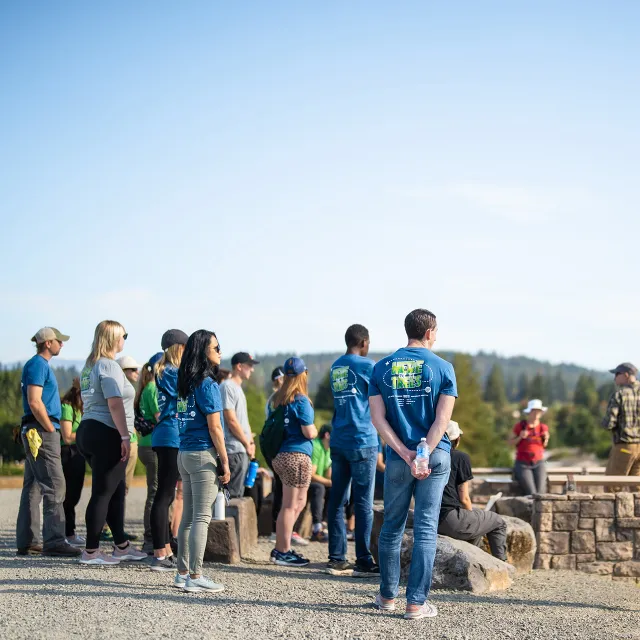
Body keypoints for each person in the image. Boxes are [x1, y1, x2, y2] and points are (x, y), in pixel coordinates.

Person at [369, 309, 456, 620]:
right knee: (425, 529)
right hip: (435, 455)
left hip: (397, 457)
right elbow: (442, 420)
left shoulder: (381, 368)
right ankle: (416, 603)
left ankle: (387, 597)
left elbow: (378, 419)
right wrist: (423, 453)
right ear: (430, 332)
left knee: (391, 528)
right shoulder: (444, 367)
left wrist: (405, 453)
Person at [76, 320, 146, 565]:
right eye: (123, 335)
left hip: (88, 429)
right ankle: (91, 551)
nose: (125, 339)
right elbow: (114, 402)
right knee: (103, 493)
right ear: (113, 338)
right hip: (106, 430)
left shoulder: (89, 366)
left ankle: (121, 545)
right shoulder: (108, 365)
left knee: (116, 490)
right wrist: (125, 436)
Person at [16, 327, 81, 557]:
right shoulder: (38, 365)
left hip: (36, 430)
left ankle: (28, 541)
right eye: (58, 341)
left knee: (33, 485)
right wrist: (48, 427)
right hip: (42, 431)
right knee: (56, 485)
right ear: (47, 343)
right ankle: (54, 541)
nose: (61, 345)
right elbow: (35, 402)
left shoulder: (38, 365)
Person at [174, 329, 231, 593]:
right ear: (203, 352)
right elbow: (215, 428)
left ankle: (182, 572)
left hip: (183, 453)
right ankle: (195, 576)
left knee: (187, 516)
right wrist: (225, 461)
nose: (220, 352)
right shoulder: (207, 384)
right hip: (201, 454)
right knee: (201, 517)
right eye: (216, 348)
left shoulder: (184, 383)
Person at [326, 324, 379, 577]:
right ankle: (363, 559)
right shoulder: (368, 366)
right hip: (362, 439)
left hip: (339, 439)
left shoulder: (336, 366)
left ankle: (336, 558)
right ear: (364, 343)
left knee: (337, 500)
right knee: (363, 503)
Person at [270, 357, 318, 567]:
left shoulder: (279, 399)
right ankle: (282, 550)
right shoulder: (301, 400)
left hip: (282, 455)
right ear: (303, 376)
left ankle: (283, 546)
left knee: (296, 503)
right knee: (290, 506)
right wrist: (315, 430)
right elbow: (308, 431)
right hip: (297, 456)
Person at [438, 421, 507, 560]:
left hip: (430, 518)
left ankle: (469, 561)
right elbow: (464, 499)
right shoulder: (460, 457)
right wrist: (469, 517)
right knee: (498, 522)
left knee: (476, 524)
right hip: (450, 520)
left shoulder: (427, 456)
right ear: (457, 439)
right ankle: (501, 565)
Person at [150, 329, 188, 571]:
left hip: (166, 434)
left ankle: (164, 547)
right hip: (171, 436)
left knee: (166, 495)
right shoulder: (173, 373)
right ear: (179, 349)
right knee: (164, 496)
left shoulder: (164, 371)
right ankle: (159, 553)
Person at [220, 352, 259, 499]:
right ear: (239, 366)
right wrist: (246, 443)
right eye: (249, 366)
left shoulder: (237, 388)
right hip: (233, 450)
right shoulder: (227, 387)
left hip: (240, 449)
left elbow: (242, 420)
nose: (252, 369)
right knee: (232, 498)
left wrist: (250, 442)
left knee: (238, 495)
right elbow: (230, 419)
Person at [135, 352, 162, 553]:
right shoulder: (153, 388)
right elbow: (160, 417)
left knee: (155, 491)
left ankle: (153, 535)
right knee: (155, 492)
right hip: (153, 445)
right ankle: (151, 537)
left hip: (147, 443)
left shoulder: (147, 388)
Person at [60, 378, 86, 546]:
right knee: (68, 496)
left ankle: (70, 531)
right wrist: (87, 433)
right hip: (68, 453)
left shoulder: (80, 409)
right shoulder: (67, 407)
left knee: (75, 495)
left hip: (79, 452)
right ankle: (66, 532)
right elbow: (67, 437)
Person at [602, 363, 640, 476]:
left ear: (626, 375)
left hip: (625, 445)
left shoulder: (620, 395)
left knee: (612, 486)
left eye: (617, 374)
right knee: (637, 487)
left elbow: (609, 423)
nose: (614, 378)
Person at [509, 399, 549, 495]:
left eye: (538, 411)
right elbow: (510, 442)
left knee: (540, 492)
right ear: (529, 413)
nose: (535, 414)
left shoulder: (543, 427)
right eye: (533, 411)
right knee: (531, 492)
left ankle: (537, 510)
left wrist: (546, 439)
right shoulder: (520, 426)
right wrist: (520, 437)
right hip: (523, 463)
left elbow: (544, 445)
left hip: (538, 462)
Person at [309, 425, 332, 542]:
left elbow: (328, 474)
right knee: (319, 488)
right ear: (327, 435)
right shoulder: (316, 446)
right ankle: (317, 528)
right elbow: (311, 475)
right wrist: (329, 481)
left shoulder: (328, 449)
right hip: (305, 481)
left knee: (334, 489)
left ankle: (325, 524)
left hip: (318, 481)